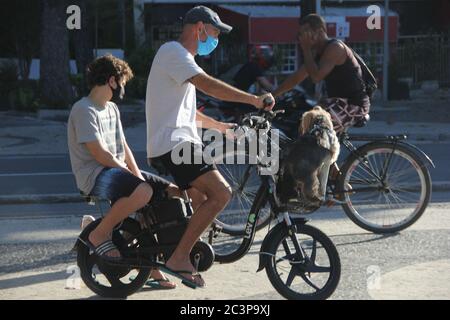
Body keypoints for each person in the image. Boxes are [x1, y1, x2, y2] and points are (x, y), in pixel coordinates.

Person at [146, 6, 275, 288]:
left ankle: (181, 250)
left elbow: (188, 113)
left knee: (200, 201)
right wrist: (253, 100)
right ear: (199, 28)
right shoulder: (174, 53)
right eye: (215, 32)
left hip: (179, 140)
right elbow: (208, 86)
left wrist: (221, 127)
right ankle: (178, 257)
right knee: (221, 193)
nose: (216, 39)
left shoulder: (182, 60)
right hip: (174, 142)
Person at [67, 54, 176, 289]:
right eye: (122, 82)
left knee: (168, 191)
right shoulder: (84, 109)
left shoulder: (112, 108)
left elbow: (123, 146)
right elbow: (101, 155)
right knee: (143, 192)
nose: (123, 87)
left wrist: (136, 174)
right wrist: (135, 181)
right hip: (94, 174)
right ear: (111, 81)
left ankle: (151, 267)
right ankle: (99, 233)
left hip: (115, 170)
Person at [273, 14, 370, 134]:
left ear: (320, 31)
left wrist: (306, 49)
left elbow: (316, 77)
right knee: (296, 121)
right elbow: (297, 77)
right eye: (301, 34)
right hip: (335, 103)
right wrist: (273, 95)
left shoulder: (335, 48)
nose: (302, 38)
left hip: (353, 105)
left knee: (312, 131)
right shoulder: (317, 52)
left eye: (306, 33)